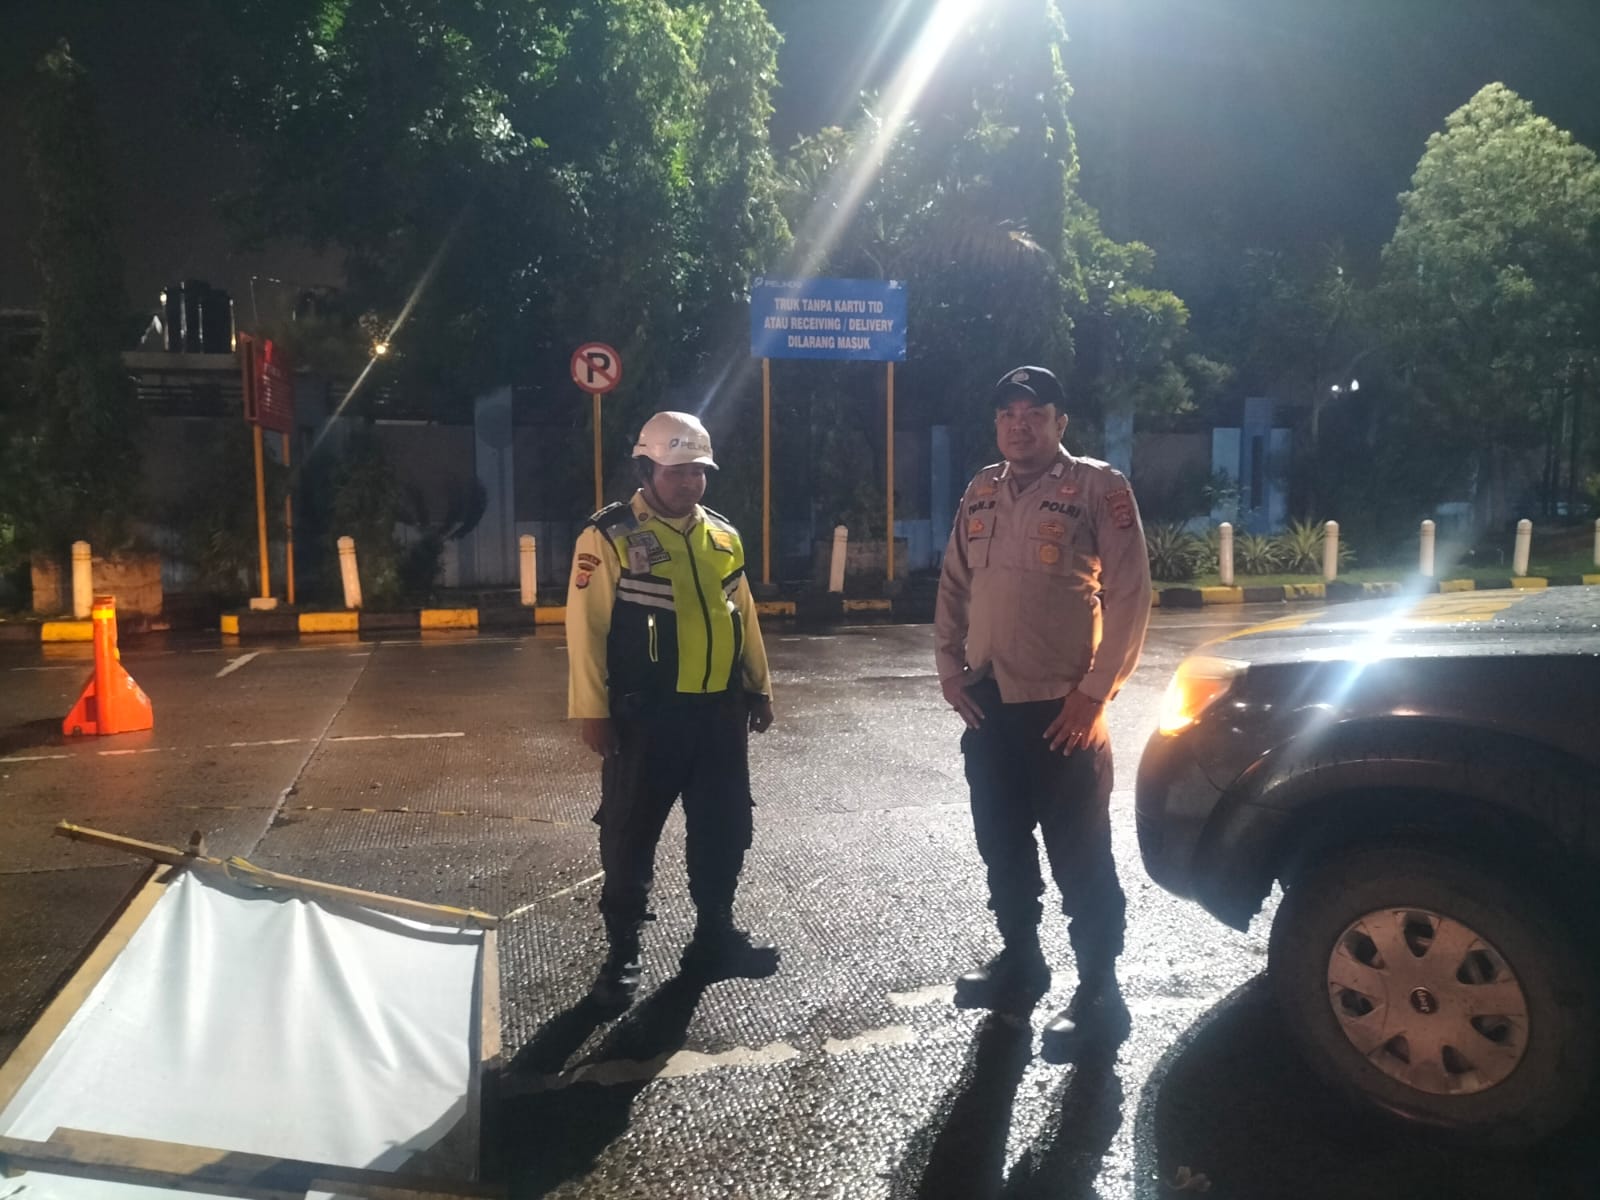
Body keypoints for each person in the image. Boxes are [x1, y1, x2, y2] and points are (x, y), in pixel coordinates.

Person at [934, 365, 1152, 1056]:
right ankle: (1020, 961)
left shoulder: (1097, 487)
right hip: (990, 704)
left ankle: (1100, 992)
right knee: (1001, 846)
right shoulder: (982, 488)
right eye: (1008, 414)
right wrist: (948, 667)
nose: (1019, 425)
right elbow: (953, 583)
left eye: (1034, 414)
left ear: (1060, 422)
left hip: (1065, 710)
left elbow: (1130, 595)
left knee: (1081, 857)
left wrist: (1095, 694)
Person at [566, 410, 777, 1010]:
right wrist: (591, 709)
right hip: (645, 719)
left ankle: (714, 938)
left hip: (718, 716)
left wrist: (759, 687)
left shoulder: (723, 536)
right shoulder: (609, 535)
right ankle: (622, 955)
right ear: (646, 469)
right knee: (629, 836)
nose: (690, 483)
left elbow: (744, 616)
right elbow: (586, 628)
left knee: (724, 829)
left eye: (698, 471)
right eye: (677, 471)